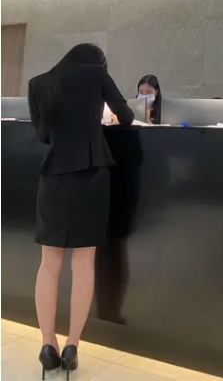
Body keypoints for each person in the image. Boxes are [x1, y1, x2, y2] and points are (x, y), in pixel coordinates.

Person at [28, 43, 133, 379]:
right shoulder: (97, 75)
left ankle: (48, 345)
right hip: (91, 175)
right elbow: (127, 117)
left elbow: (43, 136)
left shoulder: (39, 83)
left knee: (49, 264)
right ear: (98, 60)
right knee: (84, 263)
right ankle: (72, 345)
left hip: (54, 177)